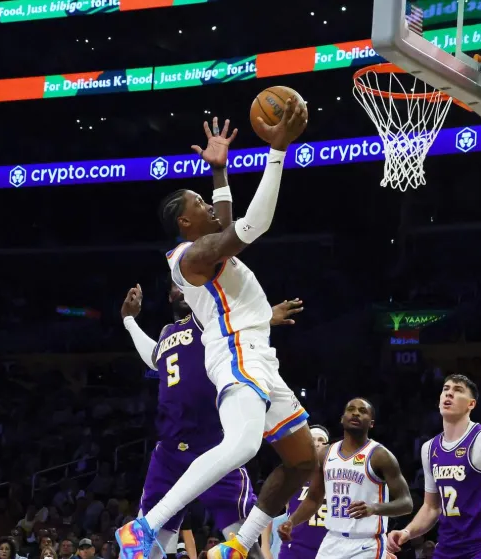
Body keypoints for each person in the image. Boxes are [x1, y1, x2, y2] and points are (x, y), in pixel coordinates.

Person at [117, 100, 313, 559]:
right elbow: (252, 225)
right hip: (235, 350)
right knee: (242, 444)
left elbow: (227, 226)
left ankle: (238, 547)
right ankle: (144, 526)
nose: (208, 205)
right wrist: (278, 151)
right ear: (185, 223)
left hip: (257, 350)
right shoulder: (190, 257)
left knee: (303, 459)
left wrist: (220, 174)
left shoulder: (206, 247)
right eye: (200, 204)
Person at [121, 281, 304, 559]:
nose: (182, 289)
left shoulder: (208, 320)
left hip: (214, 446)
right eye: (176, 286)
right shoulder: (168, 331)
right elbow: (154, 359)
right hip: (169, 452)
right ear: (170, 295)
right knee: (151, 548)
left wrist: (264, 316)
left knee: (244, 545)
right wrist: (129, 322)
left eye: (187, 284)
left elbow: (236, 318)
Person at [387, 374, 481, 559]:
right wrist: (407, 532)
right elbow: (431, 507)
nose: (449, 394)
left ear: (471, 404)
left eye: (458, 390)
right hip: (447, 548)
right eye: (446, 389)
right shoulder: (429, 448)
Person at [278, 399, 413, 559]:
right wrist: (292, 521)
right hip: (332, 540)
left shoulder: (380, 456)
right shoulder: (326, 454)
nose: (356, 413)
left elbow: (406, 503)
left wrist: (374, 508)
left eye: (363, 411)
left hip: (366, 544)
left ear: (371, 423)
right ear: (342, 418)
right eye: (351, 409)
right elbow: (314, 499)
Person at [263, 426, 331, 559]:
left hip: (329, 549)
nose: (316, 443)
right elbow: (266, 510)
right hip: (294, 549)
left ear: (327, 446)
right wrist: (265, 547)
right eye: (312, 439)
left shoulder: (336, 476)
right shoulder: (292, 474)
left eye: (321, 440)